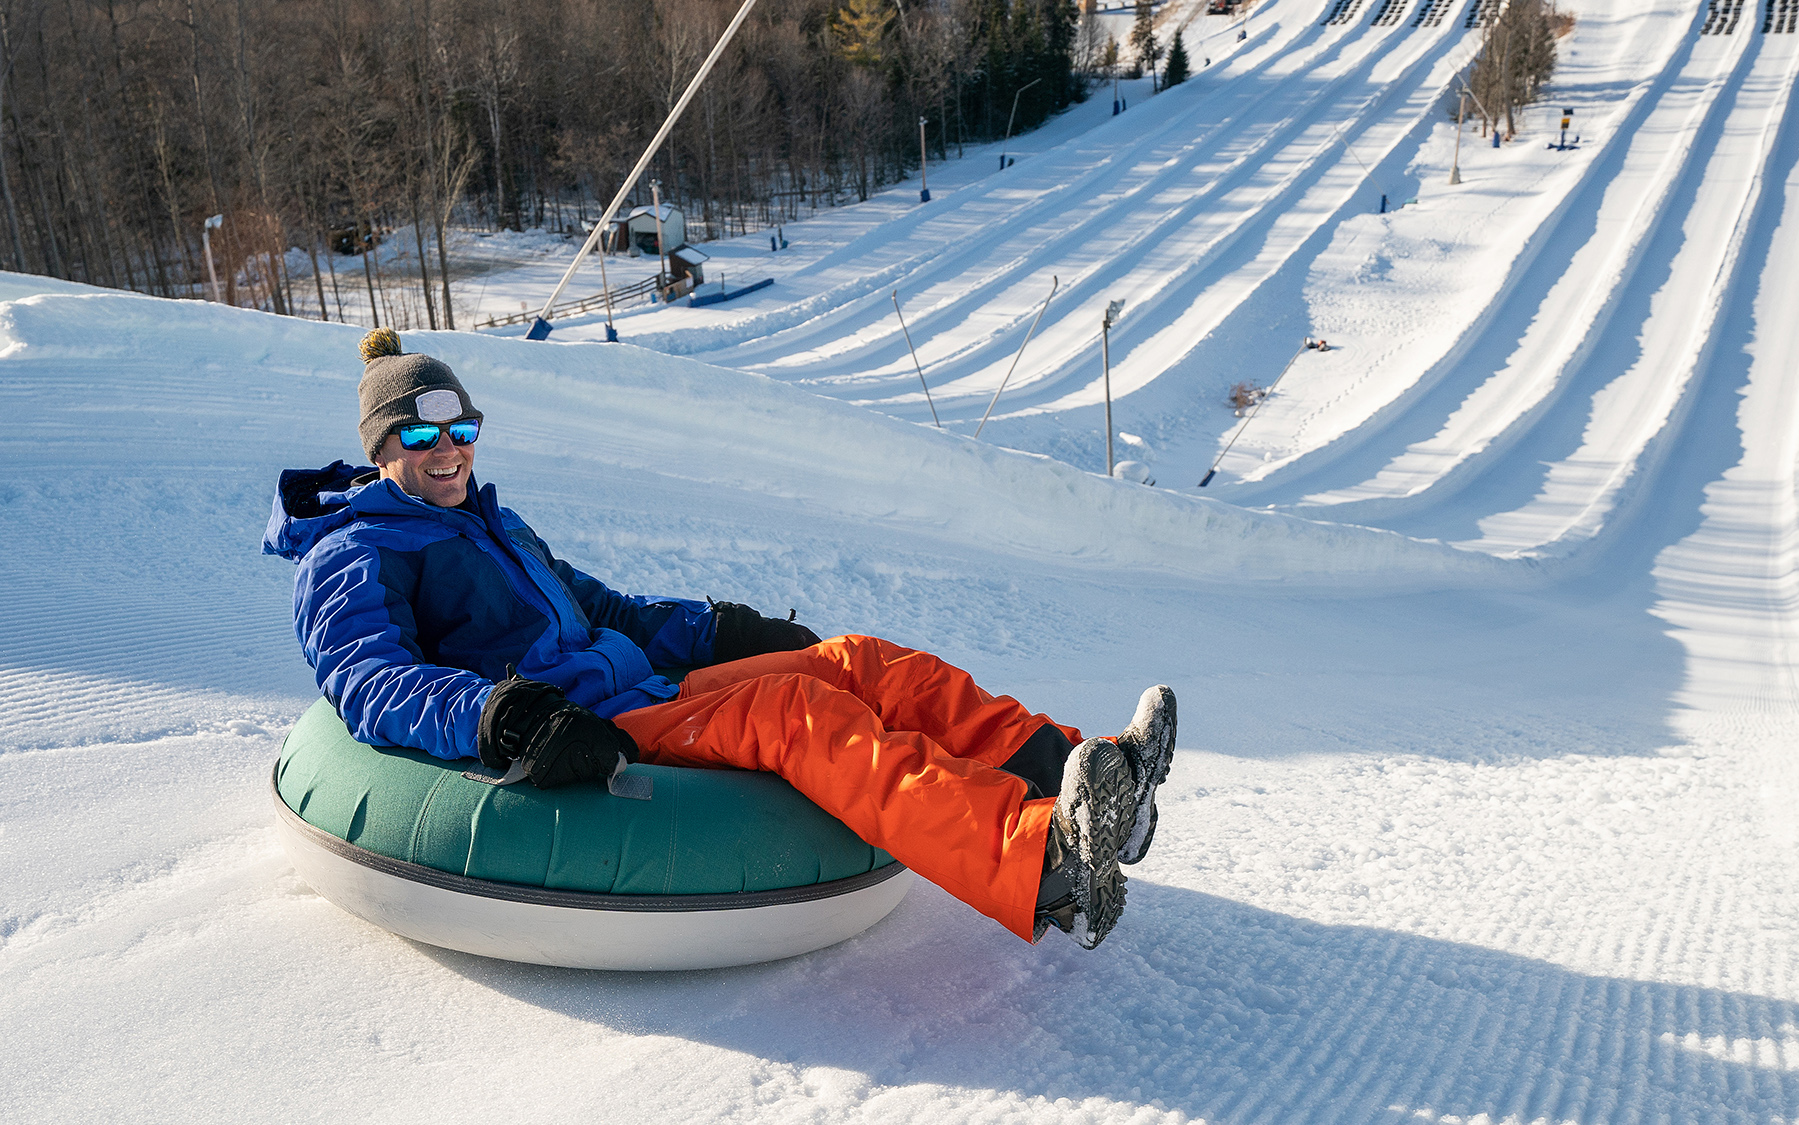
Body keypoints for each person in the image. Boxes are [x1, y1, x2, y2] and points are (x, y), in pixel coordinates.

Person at [263, 329, 1178, 949]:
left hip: (642, 687)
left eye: (462, 427)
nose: (449, 448)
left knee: (861, 661)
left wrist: (718, 628)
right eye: (422, 433)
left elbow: (605, 608)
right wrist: (501, 713)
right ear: (383, 447)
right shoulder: (354, 551)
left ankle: (1085, 777)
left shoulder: (491, 522)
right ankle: (1045, 865)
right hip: (585, 726)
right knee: (798, 712)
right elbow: (368, 679)